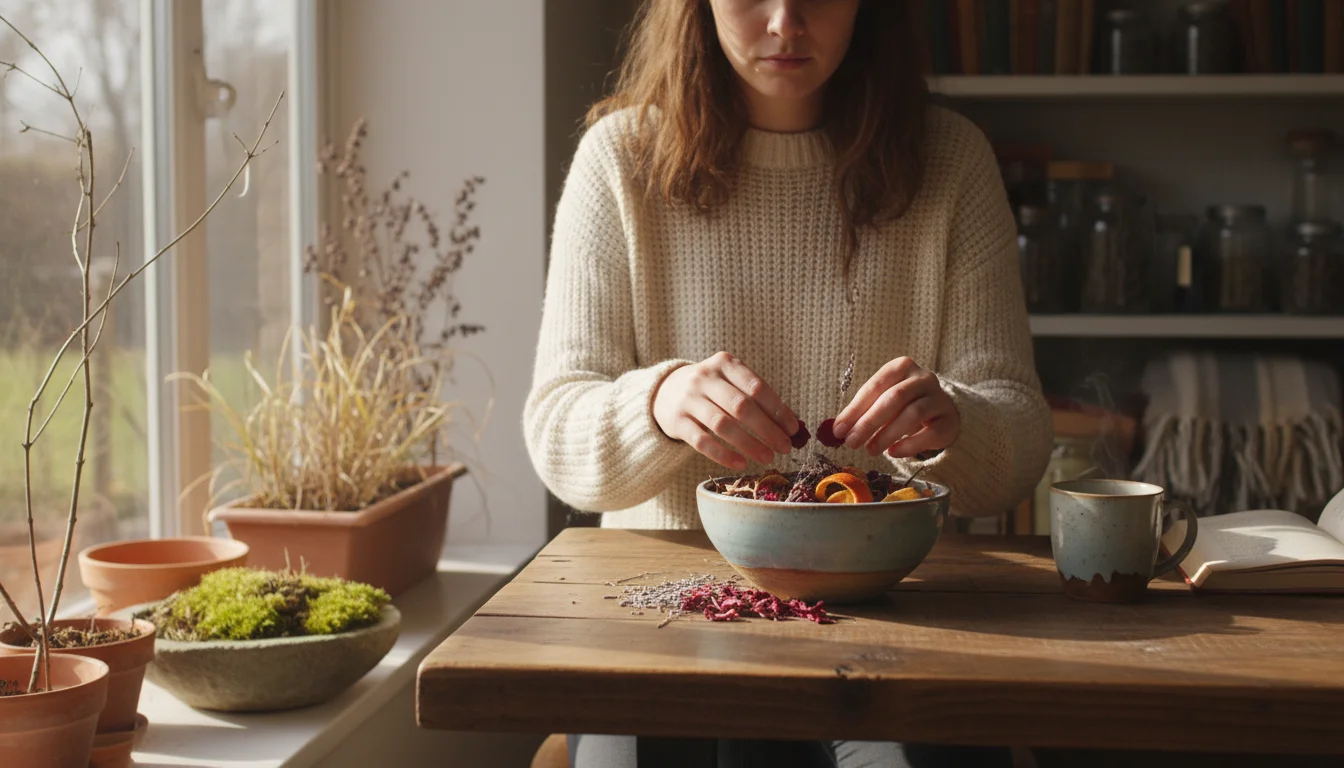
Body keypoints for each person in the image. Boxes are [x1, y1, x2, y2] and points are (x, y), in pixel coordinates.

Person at [523, 1, 1052, 765]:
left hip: (900, 617)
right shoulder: (620, 161)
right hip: (665, 617)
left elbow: (1021, 439)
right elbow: (555, 426)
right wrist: (658, 403)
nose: (784, 23)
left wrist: (957, 422)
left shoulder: (951, 161)